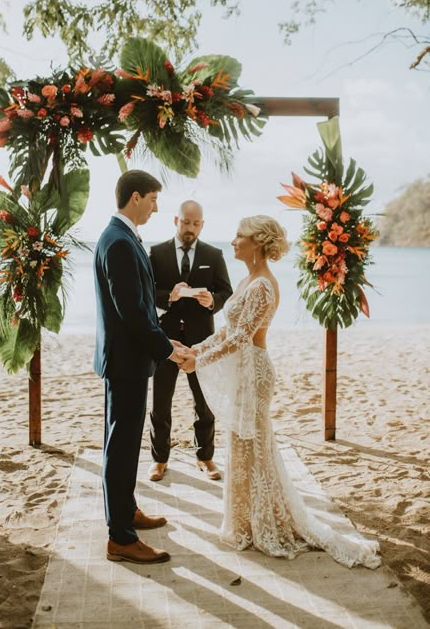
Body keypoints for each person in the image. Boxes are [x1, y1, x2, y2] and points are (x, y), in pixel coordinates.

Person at [180, 215, 381, 569]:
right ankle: (245, 522)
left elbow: (243, 336)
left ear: (257, 243)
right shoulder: (246, 281)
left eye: (239, 235)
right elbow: (229, 331)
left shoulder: (263, 287)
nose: (233, 241)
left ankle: (267, 524)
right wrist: (198, 348)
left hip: (254, 373)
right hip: (241, 371)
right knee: (241, 445)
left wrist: (201, 362)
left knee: (256, 447)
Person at [93, 170, 187, 565]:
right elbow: (131, 312)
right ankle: (121, 538)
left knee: (124, 442)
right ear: (135, 197)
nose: (156, 207)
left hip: (129, 359)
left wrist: (168, 342)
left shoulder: (123, 237)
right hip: (127, 362)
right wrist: (167, 350)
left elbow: (143, 304)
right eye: (152, 199)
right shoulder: (117, 242)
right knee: (122, 445)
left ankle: (125, 510)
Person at [148, 200, 233, 482]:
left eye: (196, 224)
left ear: (202, 224)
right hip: (165, 338)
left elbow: (226, 292)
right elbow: (147, 294)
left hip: (201, 340)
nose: (190, 229)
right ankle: (159, 460)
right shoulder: (157, 253)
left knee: (204, 401)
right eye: (186, 222)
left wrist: (213, 302)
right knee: (161, 401)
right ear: (176, 220)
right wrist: (168, 297)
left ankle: (205, 457)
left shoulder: (214, 253)